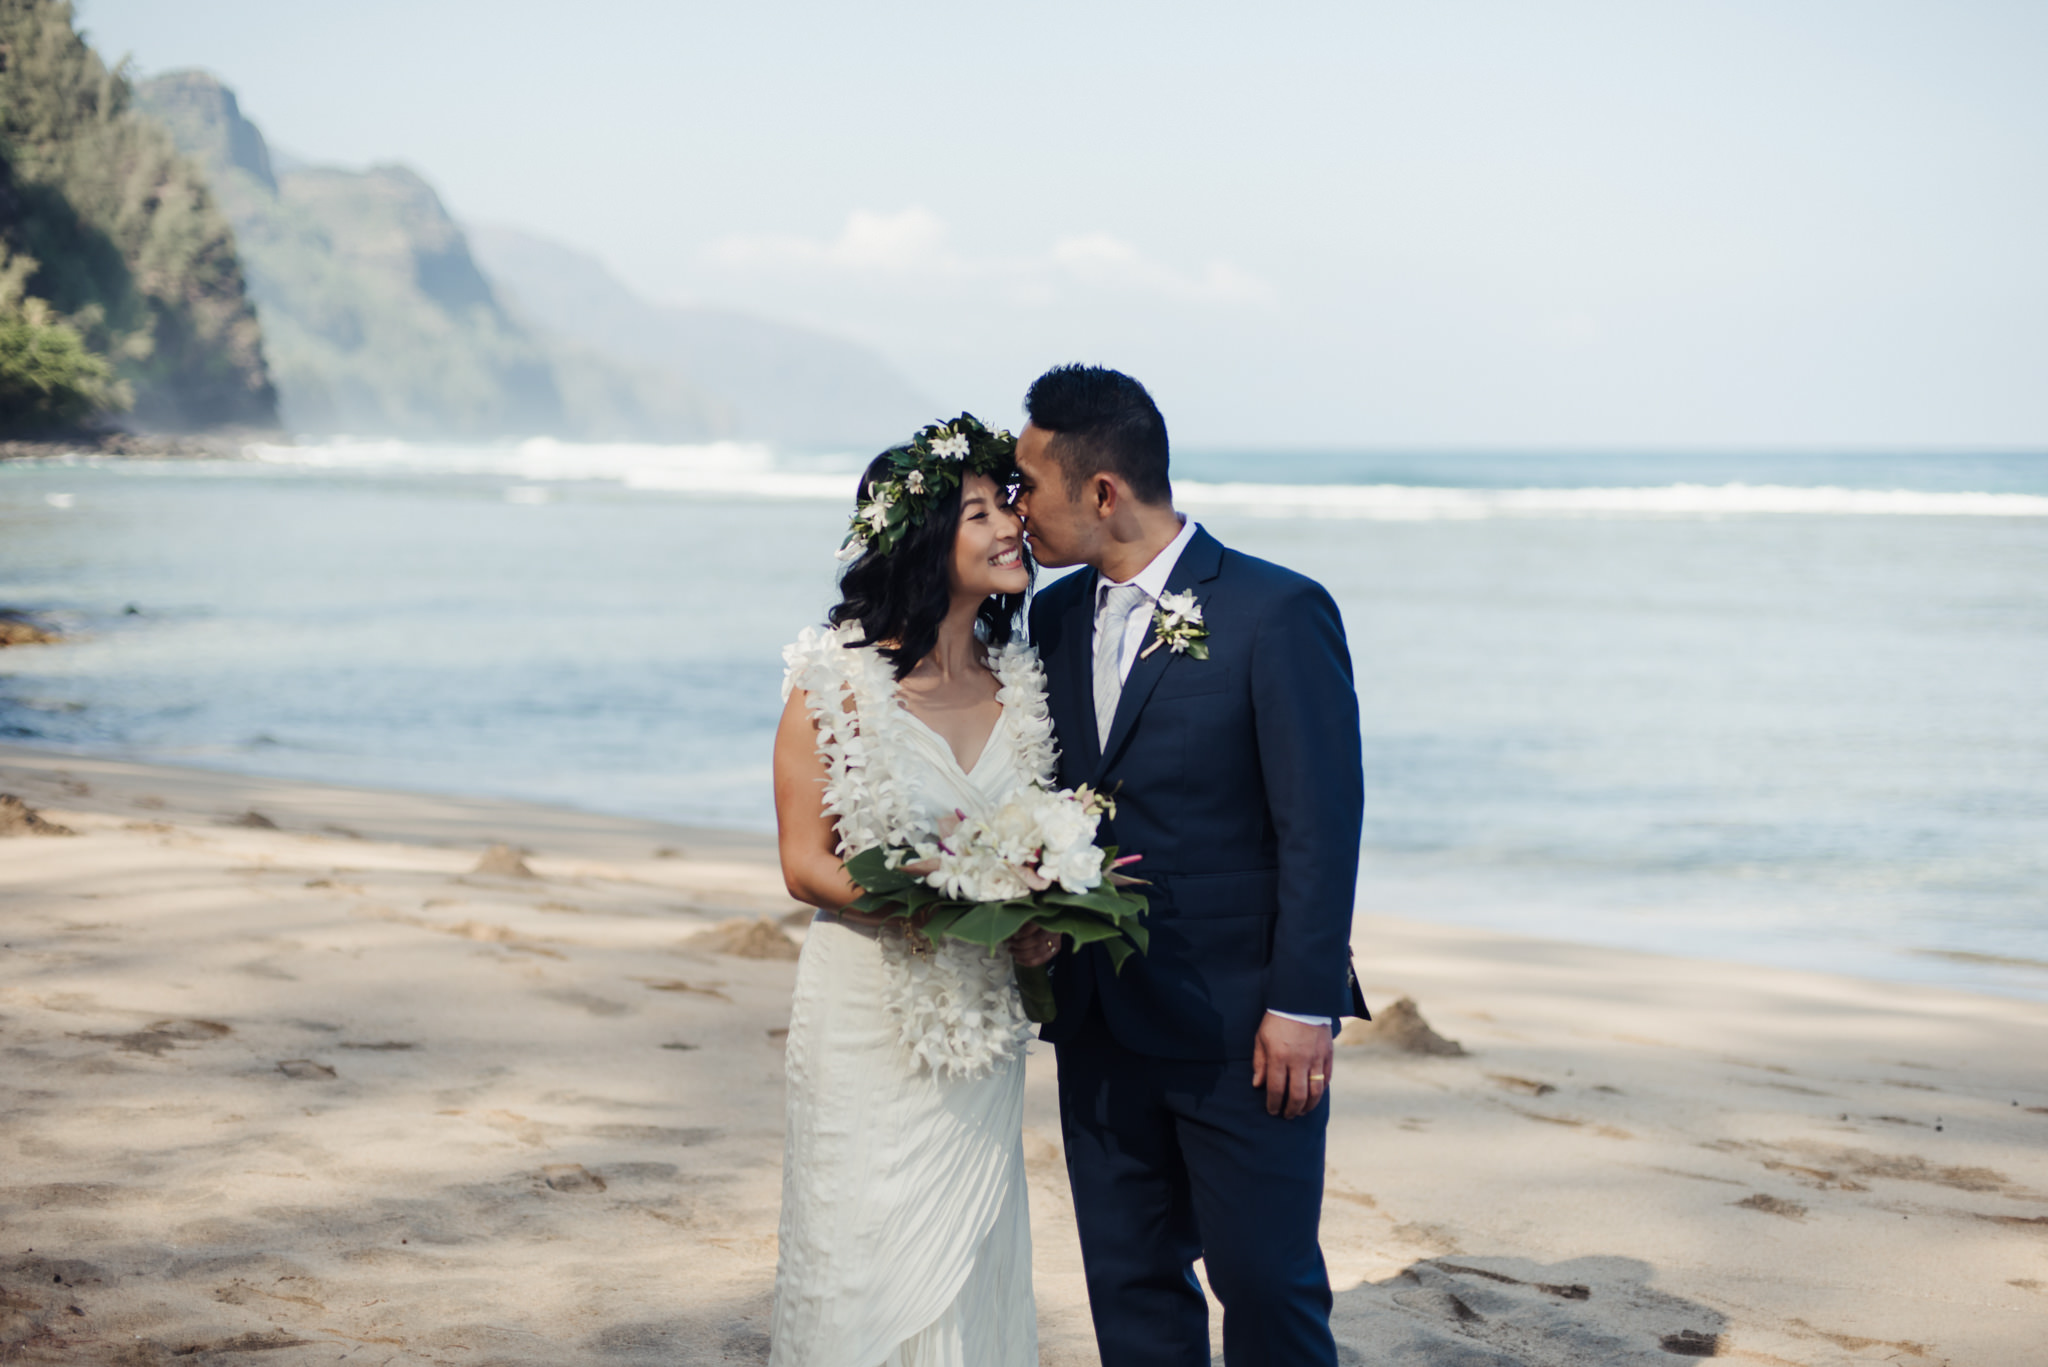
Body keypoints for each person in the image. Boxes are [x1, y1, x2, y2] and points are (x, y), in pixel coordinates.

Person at [1013, 365, 1369, 1367]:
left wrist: (1302, 1002)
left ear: (1100, 491)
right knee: (1127, 1284)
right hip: (1097, 1015)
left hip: (1240, 1024)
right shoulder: (1047, 619)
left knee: (1264, 1284)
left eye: (1027, 484)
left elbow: (1320, 821)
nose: (1015, 509)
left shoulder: (1275, 610)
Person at [768, 415, 1062, 1367]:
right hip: (867, 1013)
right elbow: (804, 861)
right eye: (979, 511)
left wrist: (1033, 925)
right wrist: (934, 901)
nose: (1010, 526)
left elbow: (1035, 851)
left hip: (981, 1018)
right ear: (925, 535)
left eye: (1005, 506)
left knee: (973, 1242)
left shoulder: (1022, 685)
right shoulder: (835, 682)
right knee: (860, 1249)